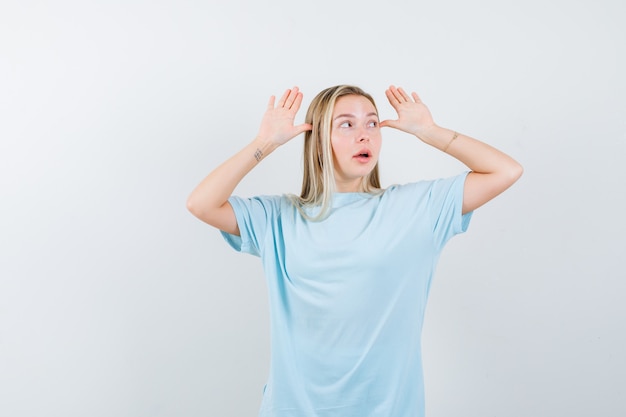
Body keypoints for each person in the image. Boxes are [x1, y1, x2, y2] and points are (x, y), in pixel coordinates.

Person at [187, 84, 523, 417]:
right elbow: (201, 204)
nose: (365, 135)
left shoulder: (416, 209)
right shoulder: (278, 218)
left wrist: (431, 132)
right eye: (347, 124)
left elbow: (506, 171)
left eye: (372, 123)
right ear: (319, 141)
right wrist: (264, 144)